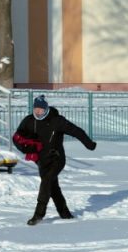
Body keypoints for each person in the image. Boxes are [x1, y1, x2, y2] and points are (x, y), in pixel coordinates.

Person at [12, 94, 97, 225]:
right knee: (52, 186)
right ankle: (65, 214)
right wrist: (27, 149)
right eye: (35, 108)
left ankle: (38, 214)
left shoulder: (57, 121)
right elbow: (17, 137)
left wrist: (89, 144)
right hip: (41, 160)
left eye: (40, 109)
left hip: (56, 158)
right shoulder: (29, 121)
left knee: (46, 182)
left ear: (46, 109)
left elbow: (77, 131)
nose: (38, 111)